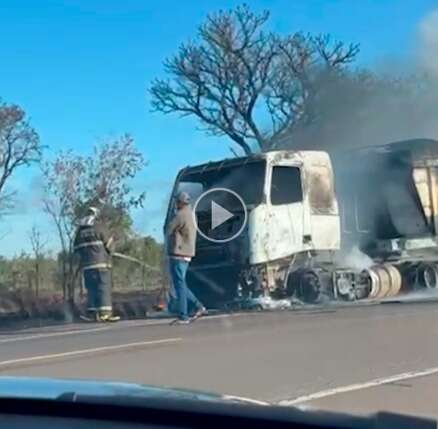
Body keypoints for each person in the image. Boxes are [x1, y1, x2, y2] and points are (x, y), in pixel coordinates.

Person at [74, 206, 120, 322]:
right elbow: (109, 246)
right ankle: (105, 314)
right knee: (103, 288)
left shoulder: (80, 231)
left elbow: (76, 249)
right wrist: (112, 250)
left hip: (87, 266)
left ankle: (92, 314)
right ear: (96, 215)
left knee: (92, 289)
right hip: (101, 264)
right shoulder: (99, 227)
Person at [166, 191, 206, 324]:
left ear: (180, 202)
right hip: (187, 253)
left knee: (179, 285)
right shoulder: (191, 214)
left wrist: (172, 216)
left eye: (177, 201)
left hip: (179, 253)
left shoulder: (180, 215)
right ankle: (198, 306)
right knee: (181, 283)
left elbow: (168, 229)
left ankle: (184, 315)